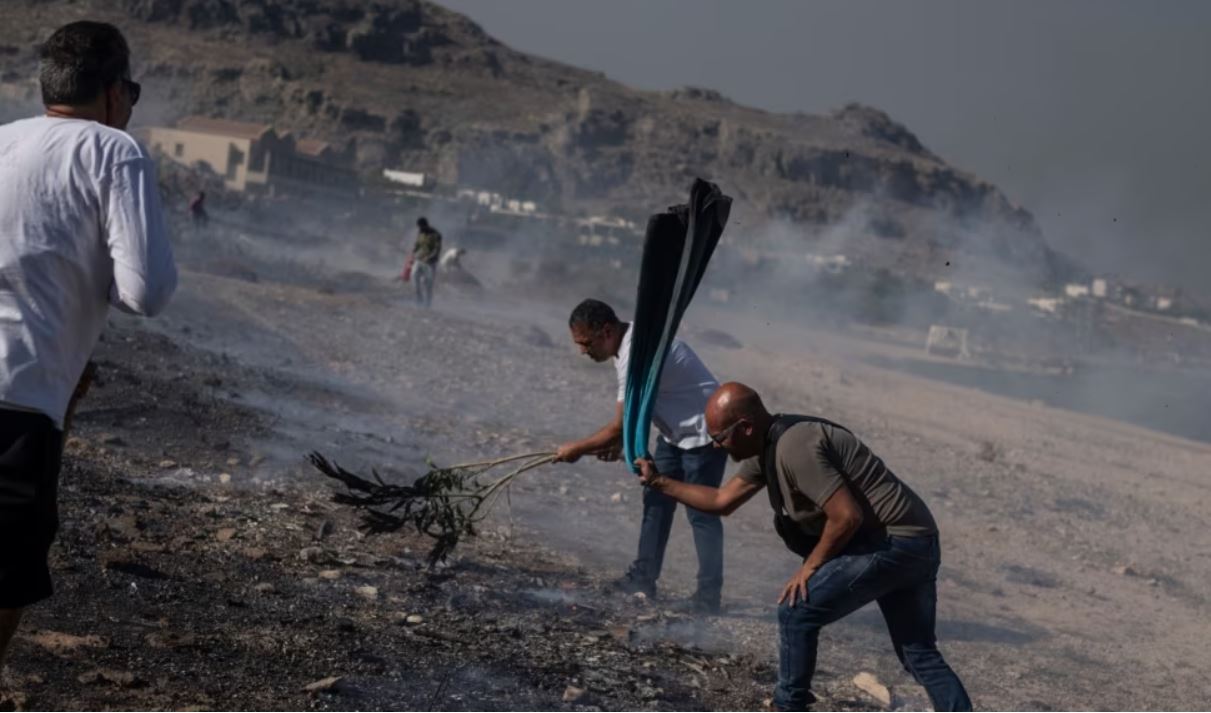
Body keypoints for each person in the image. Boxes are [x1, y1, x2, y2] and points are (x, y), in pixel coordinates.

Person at [0, 21, 177, 677]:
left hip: (26, 391)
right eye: (130, 89)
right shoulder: (114, 150)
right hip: (20, 400)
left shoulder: (3, 140)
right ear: (110, 93)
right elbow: (146, 291)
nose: (130, 103)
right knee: (6, 581)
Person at [635, 382, 972, 711]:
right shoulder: (767, 447)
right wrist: (658, 481)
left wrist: (810, 567)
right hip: (918, 542)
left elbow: (846, 517)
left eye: (720, 438)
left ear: (746, 426)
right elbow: (722, 500)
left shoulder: (795, 446)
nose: (716, 447)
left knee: (796, 611)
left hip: (893, 543)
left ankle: (788, 705)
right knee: (918, 653)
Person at [555, 299, 727, 613]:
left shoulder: (636, 351)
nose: (582, 351)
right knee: (656, 504)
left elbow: (619, 426)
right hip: (673, 434)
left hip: (705, 435)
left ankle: (708, 597)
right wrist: (622, 444)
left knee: (702, 515)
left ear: (606, 331)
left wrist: (576, 449)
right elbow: (640, 407)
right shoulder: (625, 345)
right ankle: (643, 579)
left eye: (585, 343)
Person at [411, 216, 442, 307]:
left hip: (430, 263)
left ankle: (428, 304)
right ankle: (419, 300)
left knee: (428, 284)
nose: (420, 229)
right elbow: (417, 245)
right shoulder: (420, 233)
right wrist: (413, 253)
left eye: (421, 227)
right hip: (419, 260)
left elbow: (437, 249)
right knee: (414, 278)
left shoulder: (436, 235)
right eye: (419, 227)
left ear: (426, 225)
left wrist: (430, 257)